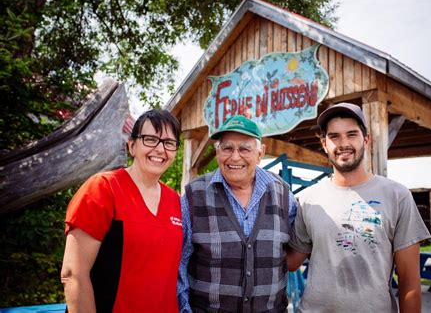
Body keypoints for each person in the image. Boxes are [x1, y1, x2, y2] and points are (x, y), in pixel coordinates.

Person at [287, 102, 431, 313]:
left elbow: (409, 284)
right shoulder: (308, 199)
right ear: (324, 143)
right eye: (334, 136)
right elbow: (291, 262)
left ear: (366, 140)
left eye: (351, 134)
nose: (343, 143)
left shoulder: (397, 196)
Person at [61, 109, 183, 312]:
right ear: (132, 146)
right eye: (150, 139)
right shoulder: (103, 188)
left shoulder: (176, 201)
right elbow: (74, 274)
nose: (160, 149)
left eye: (169, 143)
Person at [178, 115, 299, 312]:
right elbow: (179, 264)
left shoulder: (284, 195)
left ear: (260, 153)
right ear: (217, 152)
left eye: (244, 149)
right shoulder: (193, 196)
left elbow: (298, 248)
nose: (235, 157)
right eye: (227, 148)